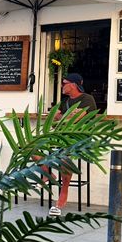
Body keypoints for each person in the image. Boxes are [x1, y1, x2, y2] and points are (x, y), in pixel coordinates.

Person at [48, 73, 98, 217]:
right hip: (61, 137)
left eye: (64, 83)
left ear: (74, 85)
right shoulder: (65, 101)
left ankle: (63, 192)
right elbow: (53, 119)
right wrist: (66, 115)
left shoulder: (87, 99)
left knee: (64, 157)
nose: (62, 86)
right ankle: (48, 174)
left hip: (80, 138)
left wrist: (62, 116)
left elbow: (76, 119)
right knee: (30, 147)